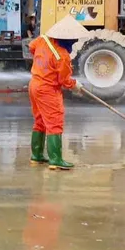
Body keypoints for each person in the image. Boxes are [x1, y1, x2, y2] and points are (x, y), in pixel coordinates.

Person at [27, 16, 87, 170]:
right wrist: (76, 85)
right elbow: (64, 80)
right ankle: (55, 160)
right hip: (48, 90)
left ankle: (37, 156)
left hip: (34, 84)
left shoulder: (43, 39)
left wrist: (42, 63)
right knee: (54, 122)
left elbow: (31, 47)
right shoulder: (63, 56)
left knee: (40, 120)